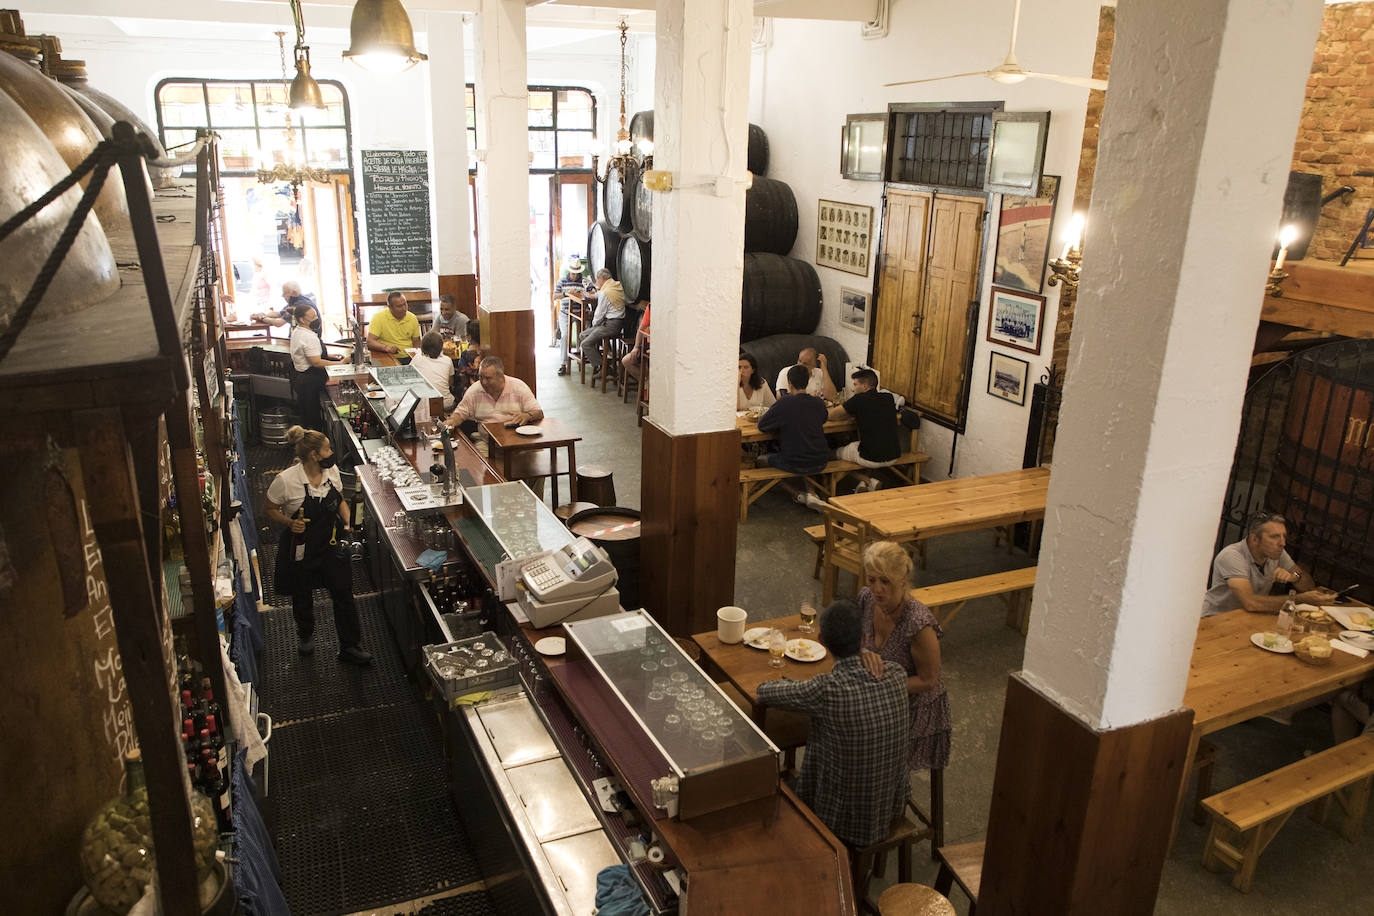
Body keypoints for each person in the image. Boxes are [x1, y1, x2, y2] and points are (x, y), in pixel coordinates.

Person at [756, 599, 910, 848]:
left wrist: (798, 686)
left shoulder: (827, 689)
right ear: (864, 639)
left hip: (842, 820)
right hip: (889, 808)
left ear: (823, 641)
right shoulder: (896, 674)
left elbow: (764, 692)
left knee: (778, 790)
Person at [264, 427, 372, 665]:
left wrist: (348, 521)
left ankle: (349, 646)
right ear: (314, 454)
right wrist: (290, 522)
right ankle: (305, 635)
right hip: (301, 545)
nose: (331, 453)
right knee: (302, 593)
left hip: (331, 542)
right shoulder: (287, 480)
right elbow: (269, 508)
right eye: (327, 449)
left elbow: (340, 499)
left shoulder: (331, 470)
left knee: (343, 593)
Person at [857, 541, 951, 772]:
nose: (877, 589)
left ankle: (878, 796)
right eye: (872, 580)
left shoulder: (918, 623)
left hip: (914, 708)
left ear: (902, 580)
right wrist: (862, 651)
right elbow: (854, 638)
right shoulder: (867, 598)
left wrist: (884, 687)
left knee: (850, 736)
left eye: (885, 581)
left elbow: (929, 680)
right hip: (877, 693)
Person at [1200, 511, 1335, 617]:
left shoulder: (1277, 553)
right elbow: (1251, 603)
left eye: (1283, 536)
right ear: (1254, 539)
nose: (1283, 543)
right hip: (1214, 620)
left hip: (1246, 618)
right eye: (1275, 536)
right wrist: (1299, 599)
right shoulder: (1232, 556)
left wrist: (1294, 577)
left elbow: (1309, 586)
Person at [757, 363, 830, 509]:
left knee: (760, 461)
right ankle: (812, 493)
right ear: (807, 381)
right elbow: (823, 419)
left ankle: (797, 494)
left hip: (793, 461)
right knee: (807, 451)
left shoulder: (785, 403)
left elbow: (762, 425)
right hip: (821, 460)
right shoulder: (818, 403)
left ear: (789, 384)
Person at [829, 367, 899, 492]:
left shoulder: (858, 399)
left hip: (870, 458)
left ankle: (868, 481)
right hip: (893, 455)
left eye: (855, 384)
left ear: (865, 386)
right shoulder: (888, 397)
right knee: (863, 445)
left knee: (834, 454)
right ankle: (863, 484)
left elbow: (832, 415)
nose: (853, 388)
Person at [444, 355, 543, 434]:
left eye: (488, 378)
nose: (483, 382)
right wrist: (451, 421)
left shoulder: (518, 387)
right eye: (480, 377)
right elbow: (460, 413)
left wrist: (528, 415)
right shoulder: (475, 390)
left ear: (500, 376)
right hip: (486, 442)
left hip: (515, 440)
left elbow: (538, 412)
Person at [561, 269, 625, 377]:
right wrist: (592, 296)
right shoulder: (615, 285)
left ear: (601, 279)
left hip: (611, 325)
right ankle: (602, 364)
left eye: (597, 280)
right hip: (617, 323)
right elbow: (600, 294)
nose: (597, 283)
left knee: (585, 343)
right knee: (582, 335)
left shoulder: (606, 292)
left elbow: (599, 314)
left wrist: (594, 325)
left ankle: (603, 367)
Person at [289, 303, 339, 431]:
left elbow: (309, 353)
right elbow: (316, 362)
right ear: (301, 319)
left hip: (300, 378)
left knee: (307, 414)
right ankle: (314, 443)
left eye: (316, 315)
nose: (316, 319)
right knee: (312, 417)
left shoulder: (298, 331)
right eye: (312, 317)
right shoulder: (307, 336)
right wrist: (340, 364)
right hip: (309, 381)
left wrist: (330, 356)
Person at [552, 256, 593, 349]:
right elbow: (554, 296)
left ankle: (583, 355)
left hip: (581, 311)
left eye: (577, 274)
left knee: (587, 333)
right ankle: (564, 362)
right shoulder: (562, 281)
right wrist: (566, 294)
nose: (575, 276)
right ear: (569, 271)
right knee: (565, 335)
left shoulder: (584, 281)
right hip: (565, 312)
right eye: (573, 273)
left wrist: (584, 293)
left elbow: (592, 292)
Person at [253, 280, 321, 336]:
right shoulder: (296, 300)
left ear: (292, 293)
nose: (284, 297)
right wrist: (261, 314)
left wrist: (262, 318)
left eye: (284, 294)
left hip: (308, 339)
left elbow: (279, 323)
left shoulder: (299, 305)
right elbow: (279, 314)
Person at [367, 291, 421, 359]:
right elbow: (370, 342)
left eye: (405, 304)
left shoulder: (412, 318)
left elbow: (417, 343)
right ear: (390, 307)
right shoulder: (378, 317)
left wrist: (417, 357)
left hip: (409, 357)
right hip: (387, 356)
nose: (404, 308)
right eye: (399, 306)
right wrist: (386, 348)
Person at [410, 331, 456, 410]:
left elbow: (410, 377)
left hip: (423, 403)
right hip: (444, 403)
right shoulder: (447, 360)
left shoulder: (417, 358)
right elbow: (450, 382)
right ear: (441, 347)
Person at [622, 304, 651, 384]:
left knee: (649, 365)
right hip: (647, 345)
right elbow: (641, 329)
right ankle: (647, 384)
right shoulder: (650, 307)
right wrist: (636, 347)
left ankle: (650, 386)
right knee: (627, 361)